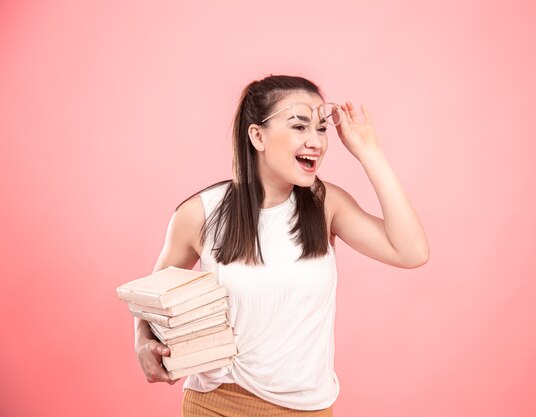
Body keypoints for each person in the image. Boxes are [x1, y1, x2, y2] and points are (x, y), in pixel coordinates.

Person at [133, 74, 429, 417]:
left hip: (307, 409)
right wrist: (141, 340)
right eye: (299, 127)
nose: (315, 142)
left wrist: (368, 153)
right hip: (216, 402)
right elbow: (152, 297)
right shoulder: (200, 213)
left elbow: (411, 252)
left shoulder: (325, 204)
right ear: (257, 136)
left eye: (321, 129)